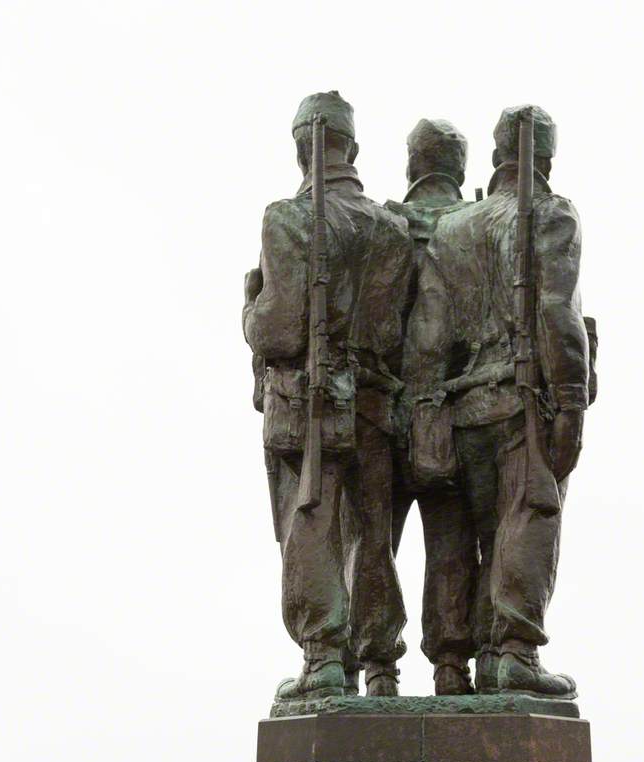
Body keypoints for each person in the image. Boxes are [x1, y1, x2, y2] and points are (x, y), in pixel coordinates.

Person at [404, 104, 592, 697]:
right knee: (528, 518)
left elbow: (427, 337)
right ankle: (512, 653)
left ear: (494, 159)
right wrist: (571, 401)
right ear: (549, 158)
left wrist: (430, 411)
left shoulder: (454, 228)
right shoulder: (553, 215)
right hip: (523, 405)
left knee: (453, 540)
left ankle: (450, 666)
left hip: (460, 411)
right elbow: (558, 316)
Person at [243, 91, 412, 700]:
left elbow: (280, 328)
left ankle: (323, 659)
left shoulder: (284, 219)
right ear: (353, 148)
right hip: (374, 401)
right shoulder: (392, 226)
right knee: (373, 533)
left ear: (299, 150)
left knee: (309, 524)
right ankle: (381, 666)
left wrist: (248, 309)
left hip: (307, 403)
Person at [386, 118, 478, 695]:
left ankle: (375, 669)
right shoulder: (478, 226)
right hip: (458, 405)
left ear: (411, 166)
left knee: (371, 542)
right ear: (461, 170)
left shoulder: (383, 221)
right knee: (452, 540)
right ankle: (450, 665)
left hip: (381, 406)